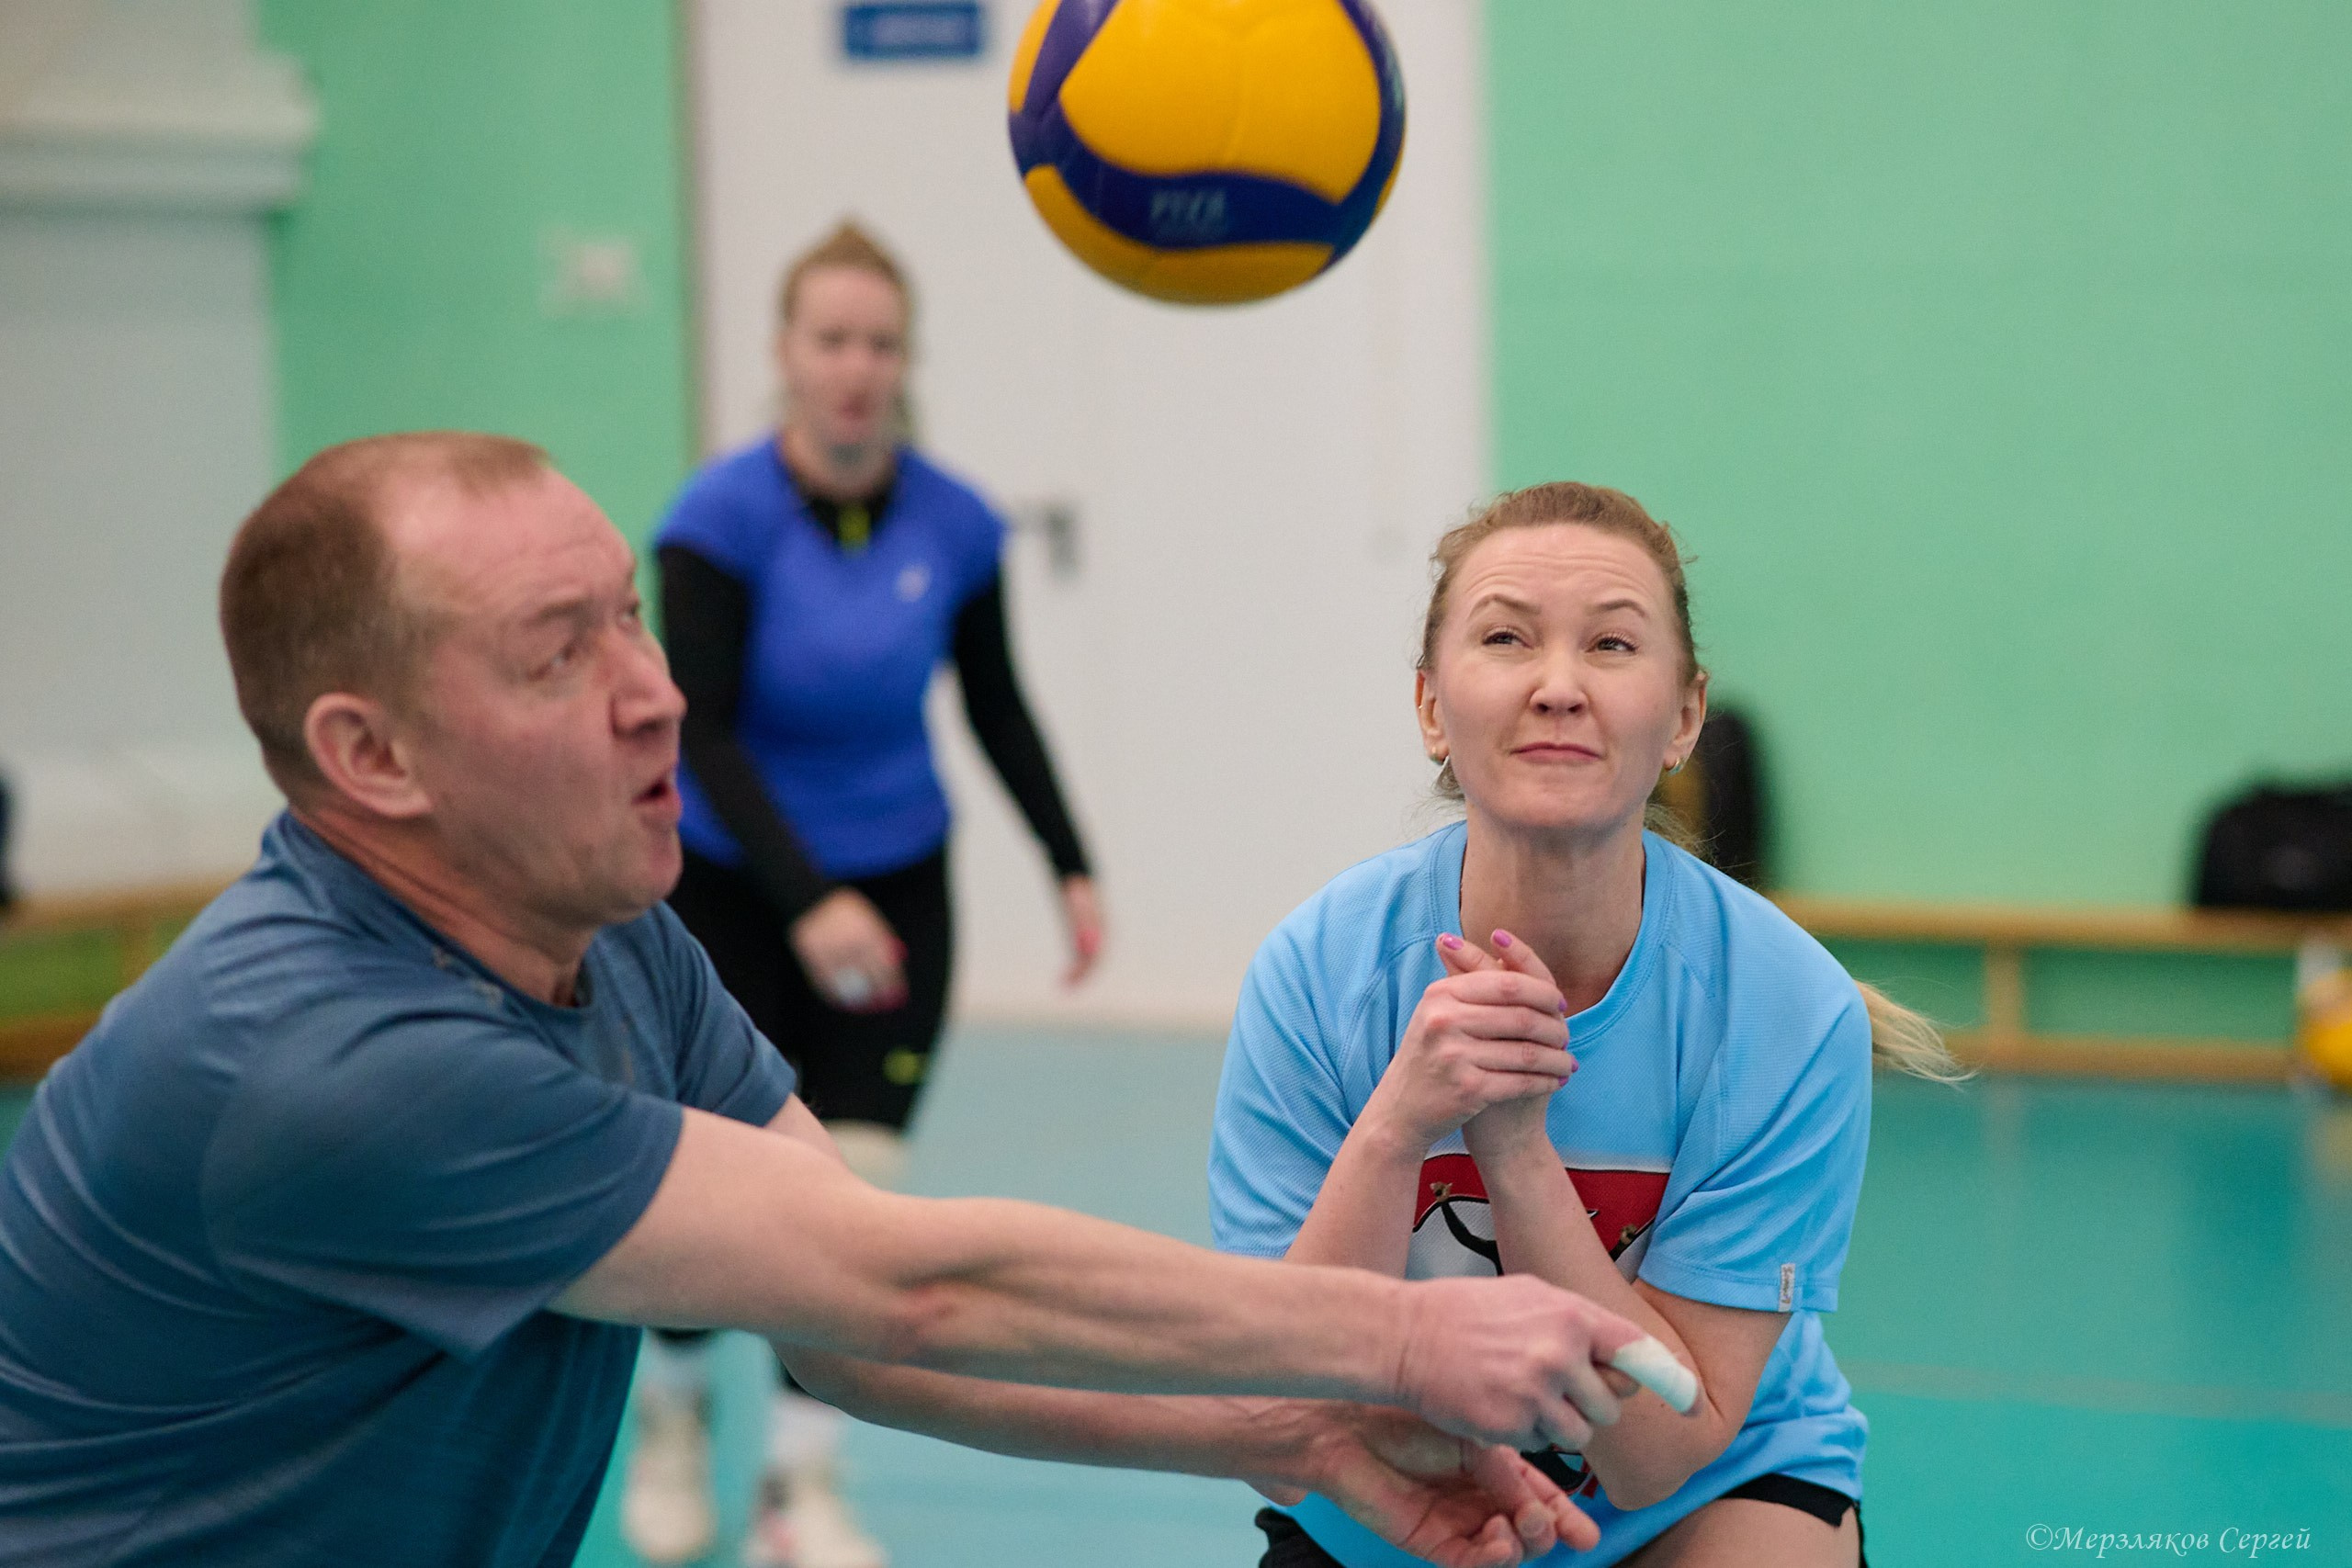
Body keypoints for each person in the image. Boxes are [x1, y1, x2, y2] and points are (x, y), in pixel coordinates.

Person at [0, 434, 1657, 1568]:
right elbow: (914, 1283)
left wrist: (1290, 1437)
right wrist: (1408, 1335)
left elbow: (848, 1328)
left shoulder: (603, 930)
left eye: (632, 622)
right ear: (370, 757)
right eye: (554, 655)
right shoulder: (327, 1057)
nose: (658, 697)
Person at [1209, 482, 1966, 1568]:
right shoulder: (1318, 976)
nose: (1557, 687)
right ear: (1430, 705)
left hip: (1704, 1489)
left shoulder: (1785, 1009)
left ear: (1685, 716)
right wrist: (1396, 1127)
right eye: (1506, 637)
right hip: (1397, 1490)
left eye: (1611, 645)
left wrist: (1513, 1149)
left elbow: (1656, 1450)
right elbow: (1278, 1407)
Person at [633, 220, 1098, 1566]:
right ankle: (670, 1425)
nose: (855, 366)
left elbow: (998, 703)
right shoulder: (715, 522)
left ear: (905, 362)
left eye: (879, 342)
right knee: (715, 1194)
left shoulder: (954, 520)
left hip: (902, 878)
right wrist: (806, 898)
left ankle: (799, 1487)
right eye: (829, 338)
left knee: (852, 1194)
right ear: (784, 354)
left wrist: (1070, 859)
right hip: (731, 887)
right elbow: (700, 731)